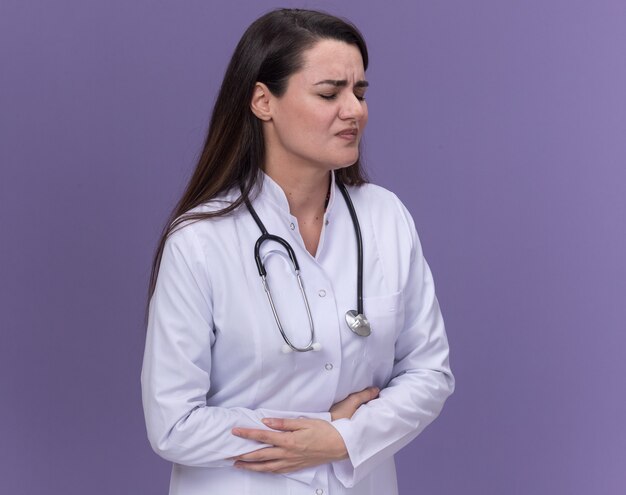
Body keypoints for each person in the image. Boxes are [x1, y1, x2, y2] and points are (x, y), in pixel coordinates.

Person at [141, 8, 454, 495]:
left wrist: (340, 438)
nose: (354, 110)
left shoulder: (385, 217)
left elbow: (429, 373)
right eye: (330, 93)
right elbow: (173, 423)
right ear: (264, 102)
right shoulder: (201, 242)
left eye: (360, 92)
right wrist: (322, 429)